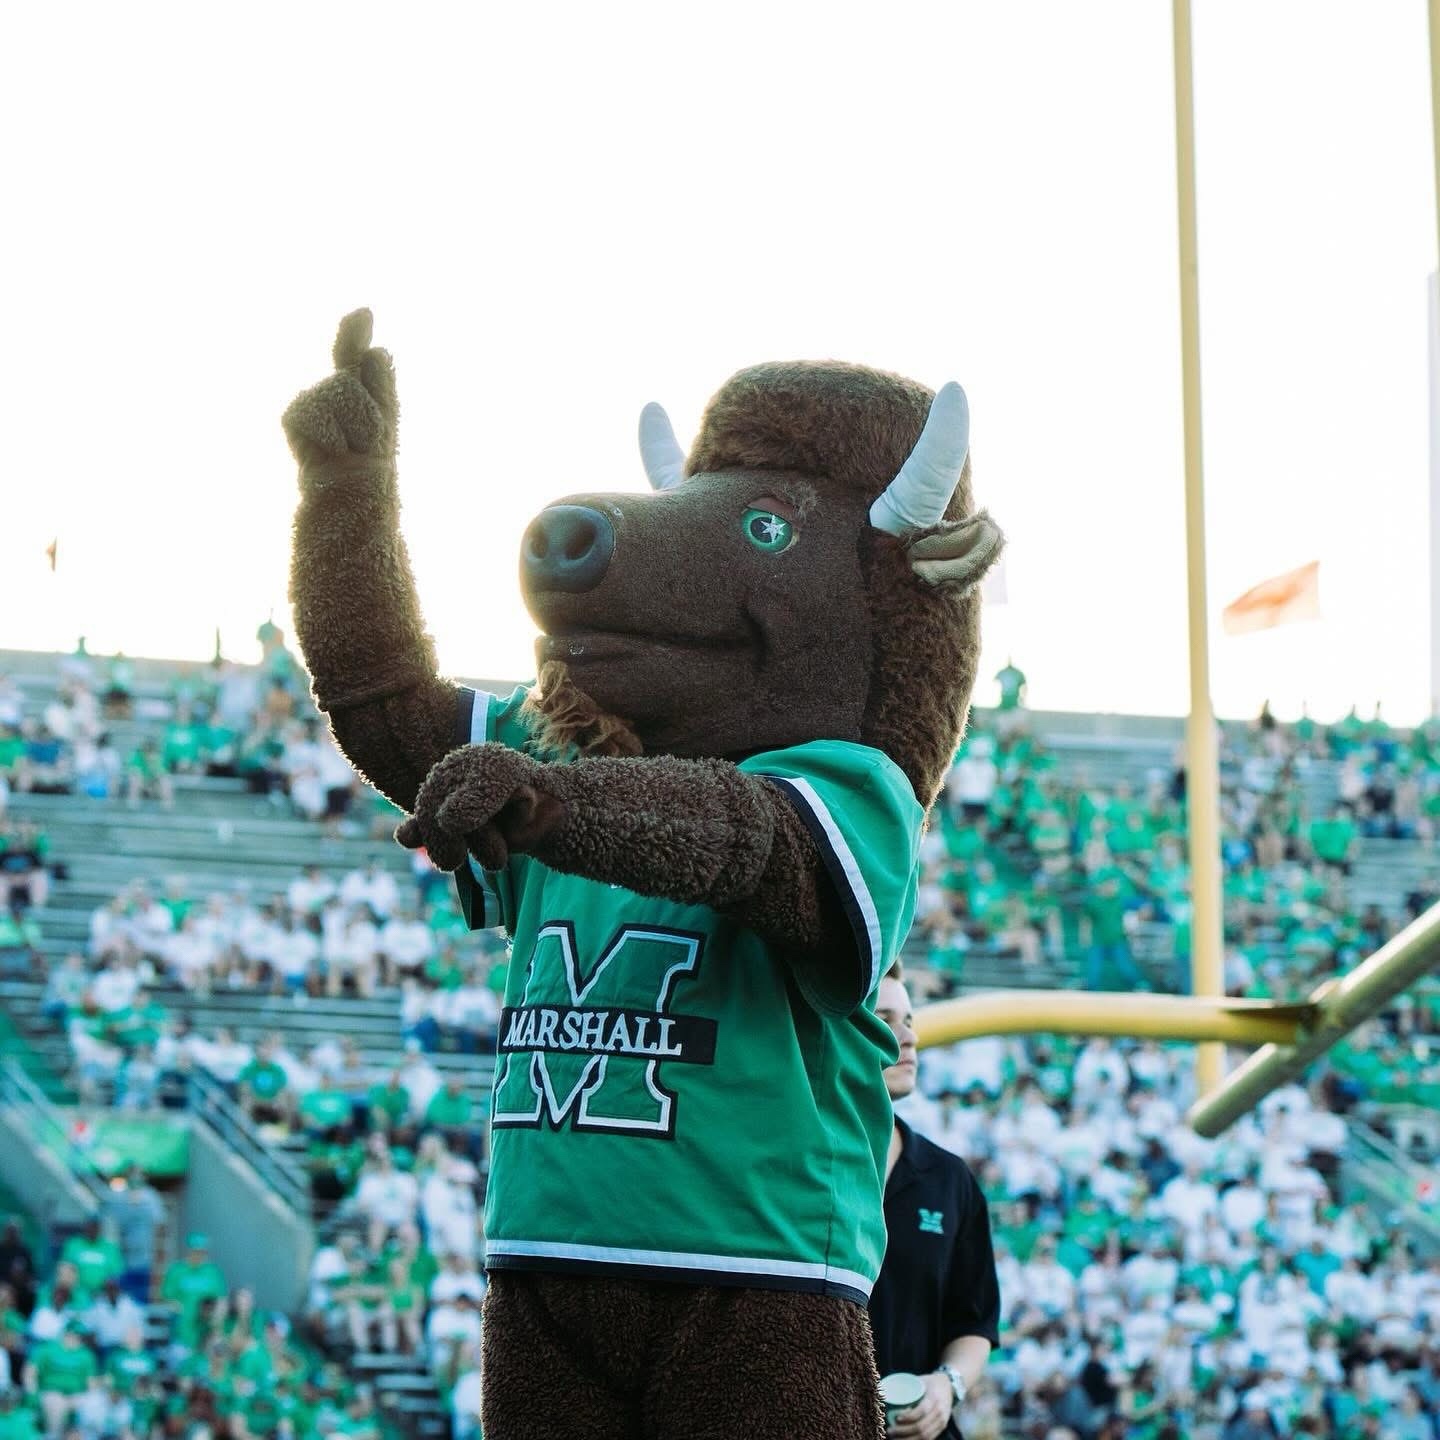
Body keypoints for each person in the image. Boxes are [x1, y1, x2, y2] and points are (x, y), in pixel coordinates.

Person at [869, 962, 999, 1440]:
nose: (909, 1038)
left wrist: (947, 1385)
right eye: (885, 1020)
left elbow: (975, 1323)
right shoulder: (792, 1165)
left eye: (909, 1021)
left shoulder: (949, 1178)